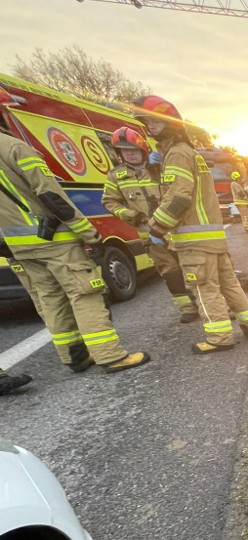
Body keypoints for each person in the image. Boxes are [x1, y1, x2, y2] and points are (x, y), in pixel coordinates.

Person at [0, 131, 149, 373]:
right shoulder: (14, 147)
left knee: (51, 299)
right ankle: (110, 355)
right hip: (54, 240)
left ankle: (75, 356)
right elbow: (51, 195)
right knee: (85, 293)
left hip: (19, 245)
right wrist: (88, 233)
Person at [133, 95, 248, 353]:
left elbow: (178, 196)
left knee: (204, 288)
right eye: (147, 121)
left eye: (155, 121)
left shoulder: (178, 154)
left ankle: (219, 338)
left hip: (194, 241)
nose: (150, 126)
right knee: (229, 284)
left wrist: (156, 228)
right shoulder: (189, 153)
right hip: (213, 238)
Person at [102, 126, 199, 324]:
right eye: (124, 150)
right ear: (118, 153)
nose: (129, 153)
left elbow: (178, 188)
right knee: (170, 271)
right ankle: (187, 307)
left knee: (194, 267)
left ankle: (208, 304)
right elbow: (110, 202)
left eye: (133, 149)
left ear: (142, 150)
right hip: (148, 232)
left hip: (174, 227)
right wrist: (132, 216)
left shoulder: (158, 167)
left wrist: (162, 165)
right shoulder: (115, 176)